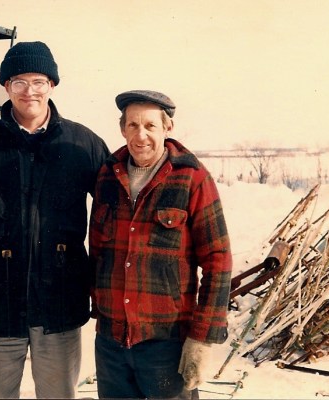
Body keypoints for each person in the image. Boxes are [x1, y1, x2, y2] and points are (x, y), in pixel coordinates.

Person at [0, 41, 110, 399]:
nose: (29, 91)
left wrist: (96, 282)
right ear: (6, 86)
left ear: (52, 85)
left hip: (59, 306)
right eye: (19, 82)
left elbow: (117, 214)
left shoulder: (83, 145)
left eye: (38, 82)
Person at [89, 90, 232, 399]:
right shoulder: (107, 176)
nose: (141, 135)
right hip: (112, 344)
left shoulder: (192, 178)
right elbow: (97, 251)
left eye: (150, 125)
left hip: (166, 343)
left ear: (168, 128)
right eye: (133, 125)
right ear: (122, 129)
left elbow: (218, 260)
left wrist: (201, 339)